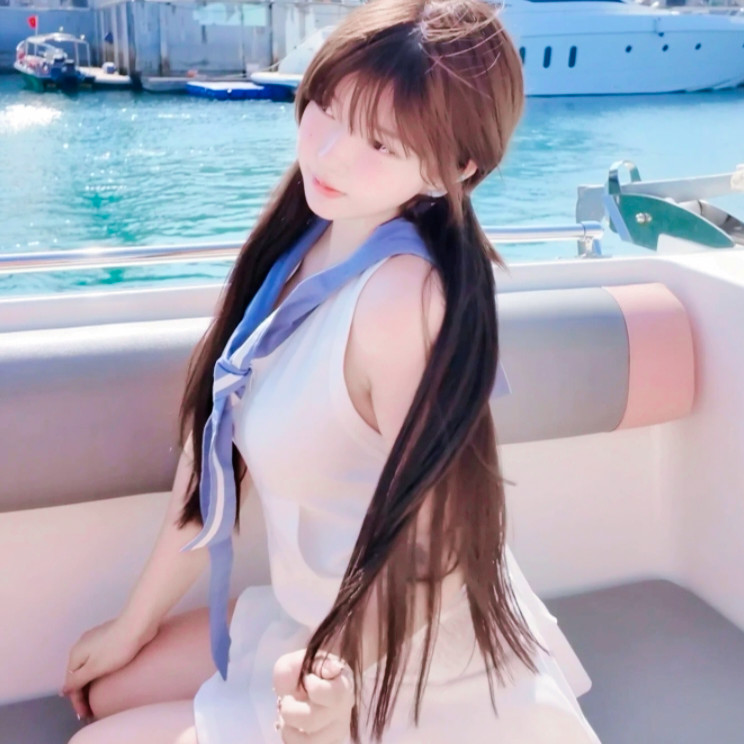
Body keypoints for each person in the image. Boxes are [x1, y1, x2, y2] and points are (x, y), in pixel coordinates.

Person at [62, 1, 602, 742]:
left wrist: (332, 678)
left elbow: (437, 543)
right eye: (326, 106)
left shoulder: (402, 302)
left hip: (399, 655)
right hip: (314, 619)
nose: (329, 153)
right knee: (106, 692)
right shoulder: (304, 238)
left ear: (455, 168)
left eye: (380, 141)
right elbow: (214, 461)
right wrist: (133, 624)